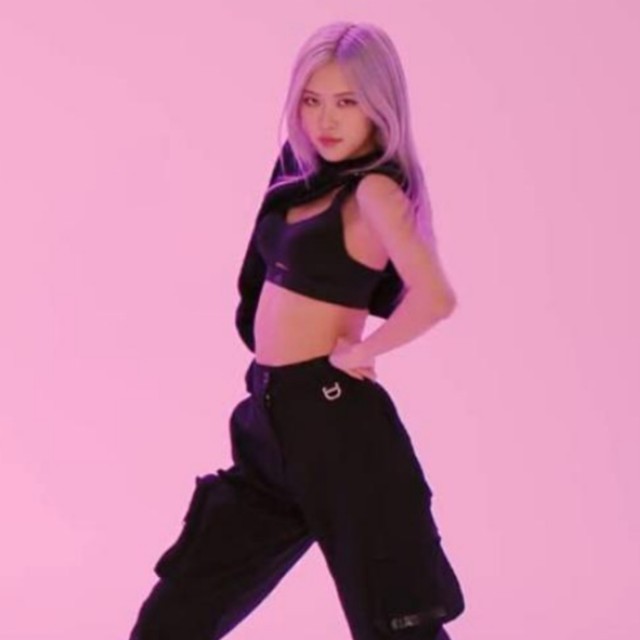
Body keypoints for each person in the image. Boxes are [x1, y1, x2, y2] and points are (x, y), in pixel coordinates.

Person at [128, 21, 465, 640]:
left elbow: (436, 297)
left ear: (379, 106)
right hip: (269, 421)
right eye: (311, 100)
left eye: (346, 102)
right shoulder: (301, 174)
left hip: (336, 427)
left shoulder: (374, 191)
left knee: (399, 627)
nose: (325, 120)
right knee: (175, 616)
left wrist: (365, 350)